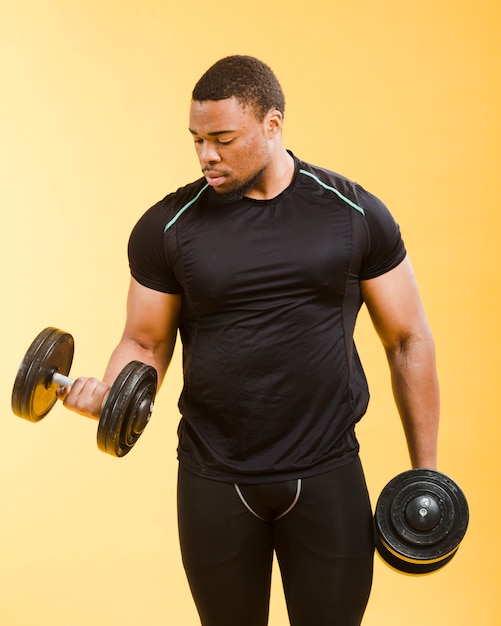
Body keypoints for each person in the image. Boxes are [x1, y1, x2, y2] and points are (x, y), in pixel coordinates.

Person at [58, 55, 439, 625]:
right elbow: (144, 344)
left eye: (223, 139)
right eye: (196, 140)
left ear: (273, 124)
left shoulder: (353, 212)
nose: (207, 155)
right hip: (214, 479)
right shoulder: (168, 227)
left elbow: (408, 340)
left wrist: (425, 473)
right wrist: (110, 396)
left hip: (327, 470)